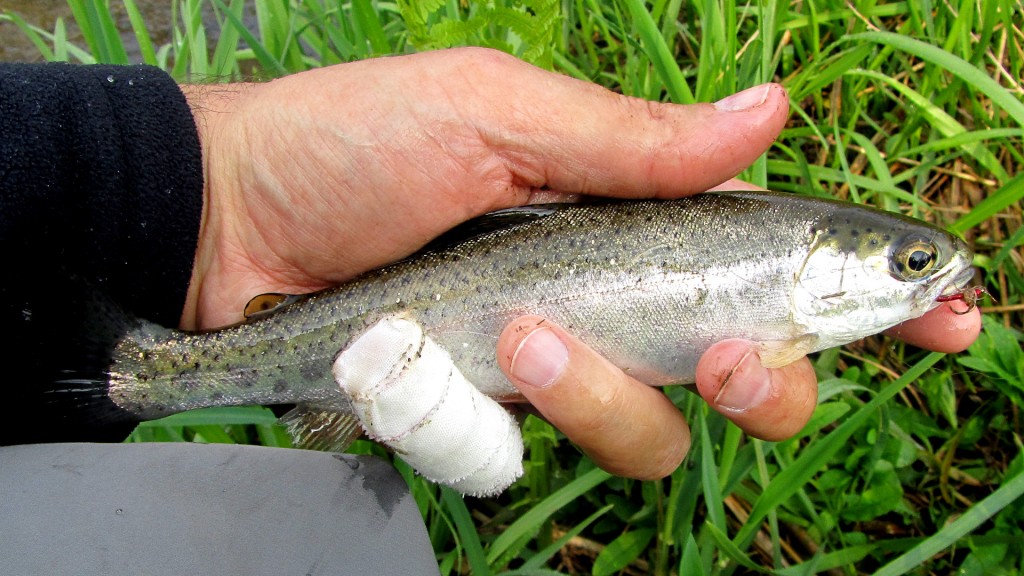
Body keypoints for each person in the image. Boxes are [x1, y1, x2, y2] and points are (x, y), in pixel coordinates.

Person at [1, 47, 980, 477]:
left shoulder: (788, 280)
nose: (926, 276)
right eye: (907, 264)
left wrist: (187, 194)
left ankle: (138, 372)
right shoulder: (784, 284)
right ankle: (140, 376)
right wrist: (202, 196)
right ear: (827, 259)